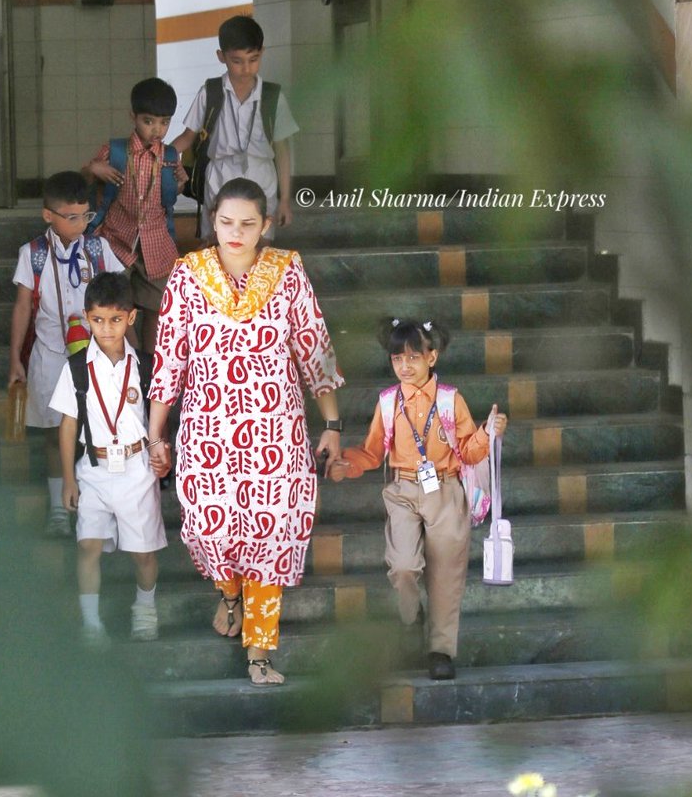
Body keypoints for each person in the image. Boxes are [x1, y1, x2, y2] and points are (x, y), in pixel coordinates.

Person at [147, 177, 344, 686]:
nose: (236, 232)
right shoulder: (187, 275)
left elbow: (313, 349)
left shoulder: (287, 271)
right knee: (210, 530)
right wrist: (156, 435)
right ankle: (229, 595)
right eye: (227, 222)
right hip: (207, 432)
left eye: (248, 224)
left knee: (271, 534)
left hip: (275, 431)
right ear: (212, 220)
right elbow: (170, 361)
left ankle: (259, 653)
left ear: (266, 226)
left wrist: (332, 423)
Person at [329, 317, 508, 681]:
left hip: (445, 491)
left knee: (446, 576)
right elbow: (372, 452)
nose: (404, 366)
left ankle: (441, 650)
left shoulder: (450, 400)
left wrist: (488, 433)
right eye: (397, 359)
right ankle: (412, 617)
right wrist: (346, 465)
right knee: (404, 566)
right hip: (403, 491)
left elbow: (470, 452)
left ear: (432, 357)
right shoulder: (387, 402)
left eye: (413, 357)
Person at [49, 271, 169, 646]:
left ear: (131, 318)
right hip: (95, 470)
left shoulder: (146, 366)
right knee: (88, 545)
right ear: (87, 318)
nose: (106, 329)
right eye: (98, 320)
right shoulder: (76, 368)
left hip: (137, 470)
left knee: (143, 553)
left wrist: (161, 450)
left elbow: (159, 418)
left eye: (116, 320)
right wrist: (69, 479)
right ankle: (91, 623)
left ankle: (145, 609)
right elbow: (68, 427)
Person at [8, 171, 124, 537]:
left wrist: (126, 353)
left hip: (97, 356)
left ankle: (101, 508)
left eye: (86, 215)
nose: (81, 223)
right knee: (52, 433)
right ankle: (59, 509)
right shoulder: (34, 254)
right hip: (50, 356)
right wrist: (15, 358)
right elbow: (23, 307)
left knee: (102, 430)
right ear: (48, 216)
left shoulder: (98, 249)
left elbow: (120, 297)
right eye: (71, 217)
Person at [83, 77, 187, 355]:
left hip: (156, 245)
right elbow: (84, 181)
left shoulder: (170, 156)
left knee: (157, 307)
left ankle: (150, 366)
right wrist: (95, 169)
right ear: (133, 117)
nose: (157, 129)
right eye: (149, 121)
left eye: (164, 122)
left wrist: (181, 182)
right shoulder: (115, 150)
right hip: (116, 240)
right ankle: (129, 356)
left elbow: (169, 198)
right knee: (115, 304)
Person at [172, 15, 298, 238]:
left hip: (262, 176)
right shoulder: (210, 92)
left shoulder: (273, 96)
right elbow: (188, 137)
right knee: (216, 244)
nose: (246, 68)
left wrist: (285, 200)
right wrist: (155, 155)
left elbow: (282, 150)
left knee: (260, 245)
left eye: (253, 59)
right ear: (221, 57)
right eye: (237, 61)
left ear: (262, 53)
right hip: (220, 176)